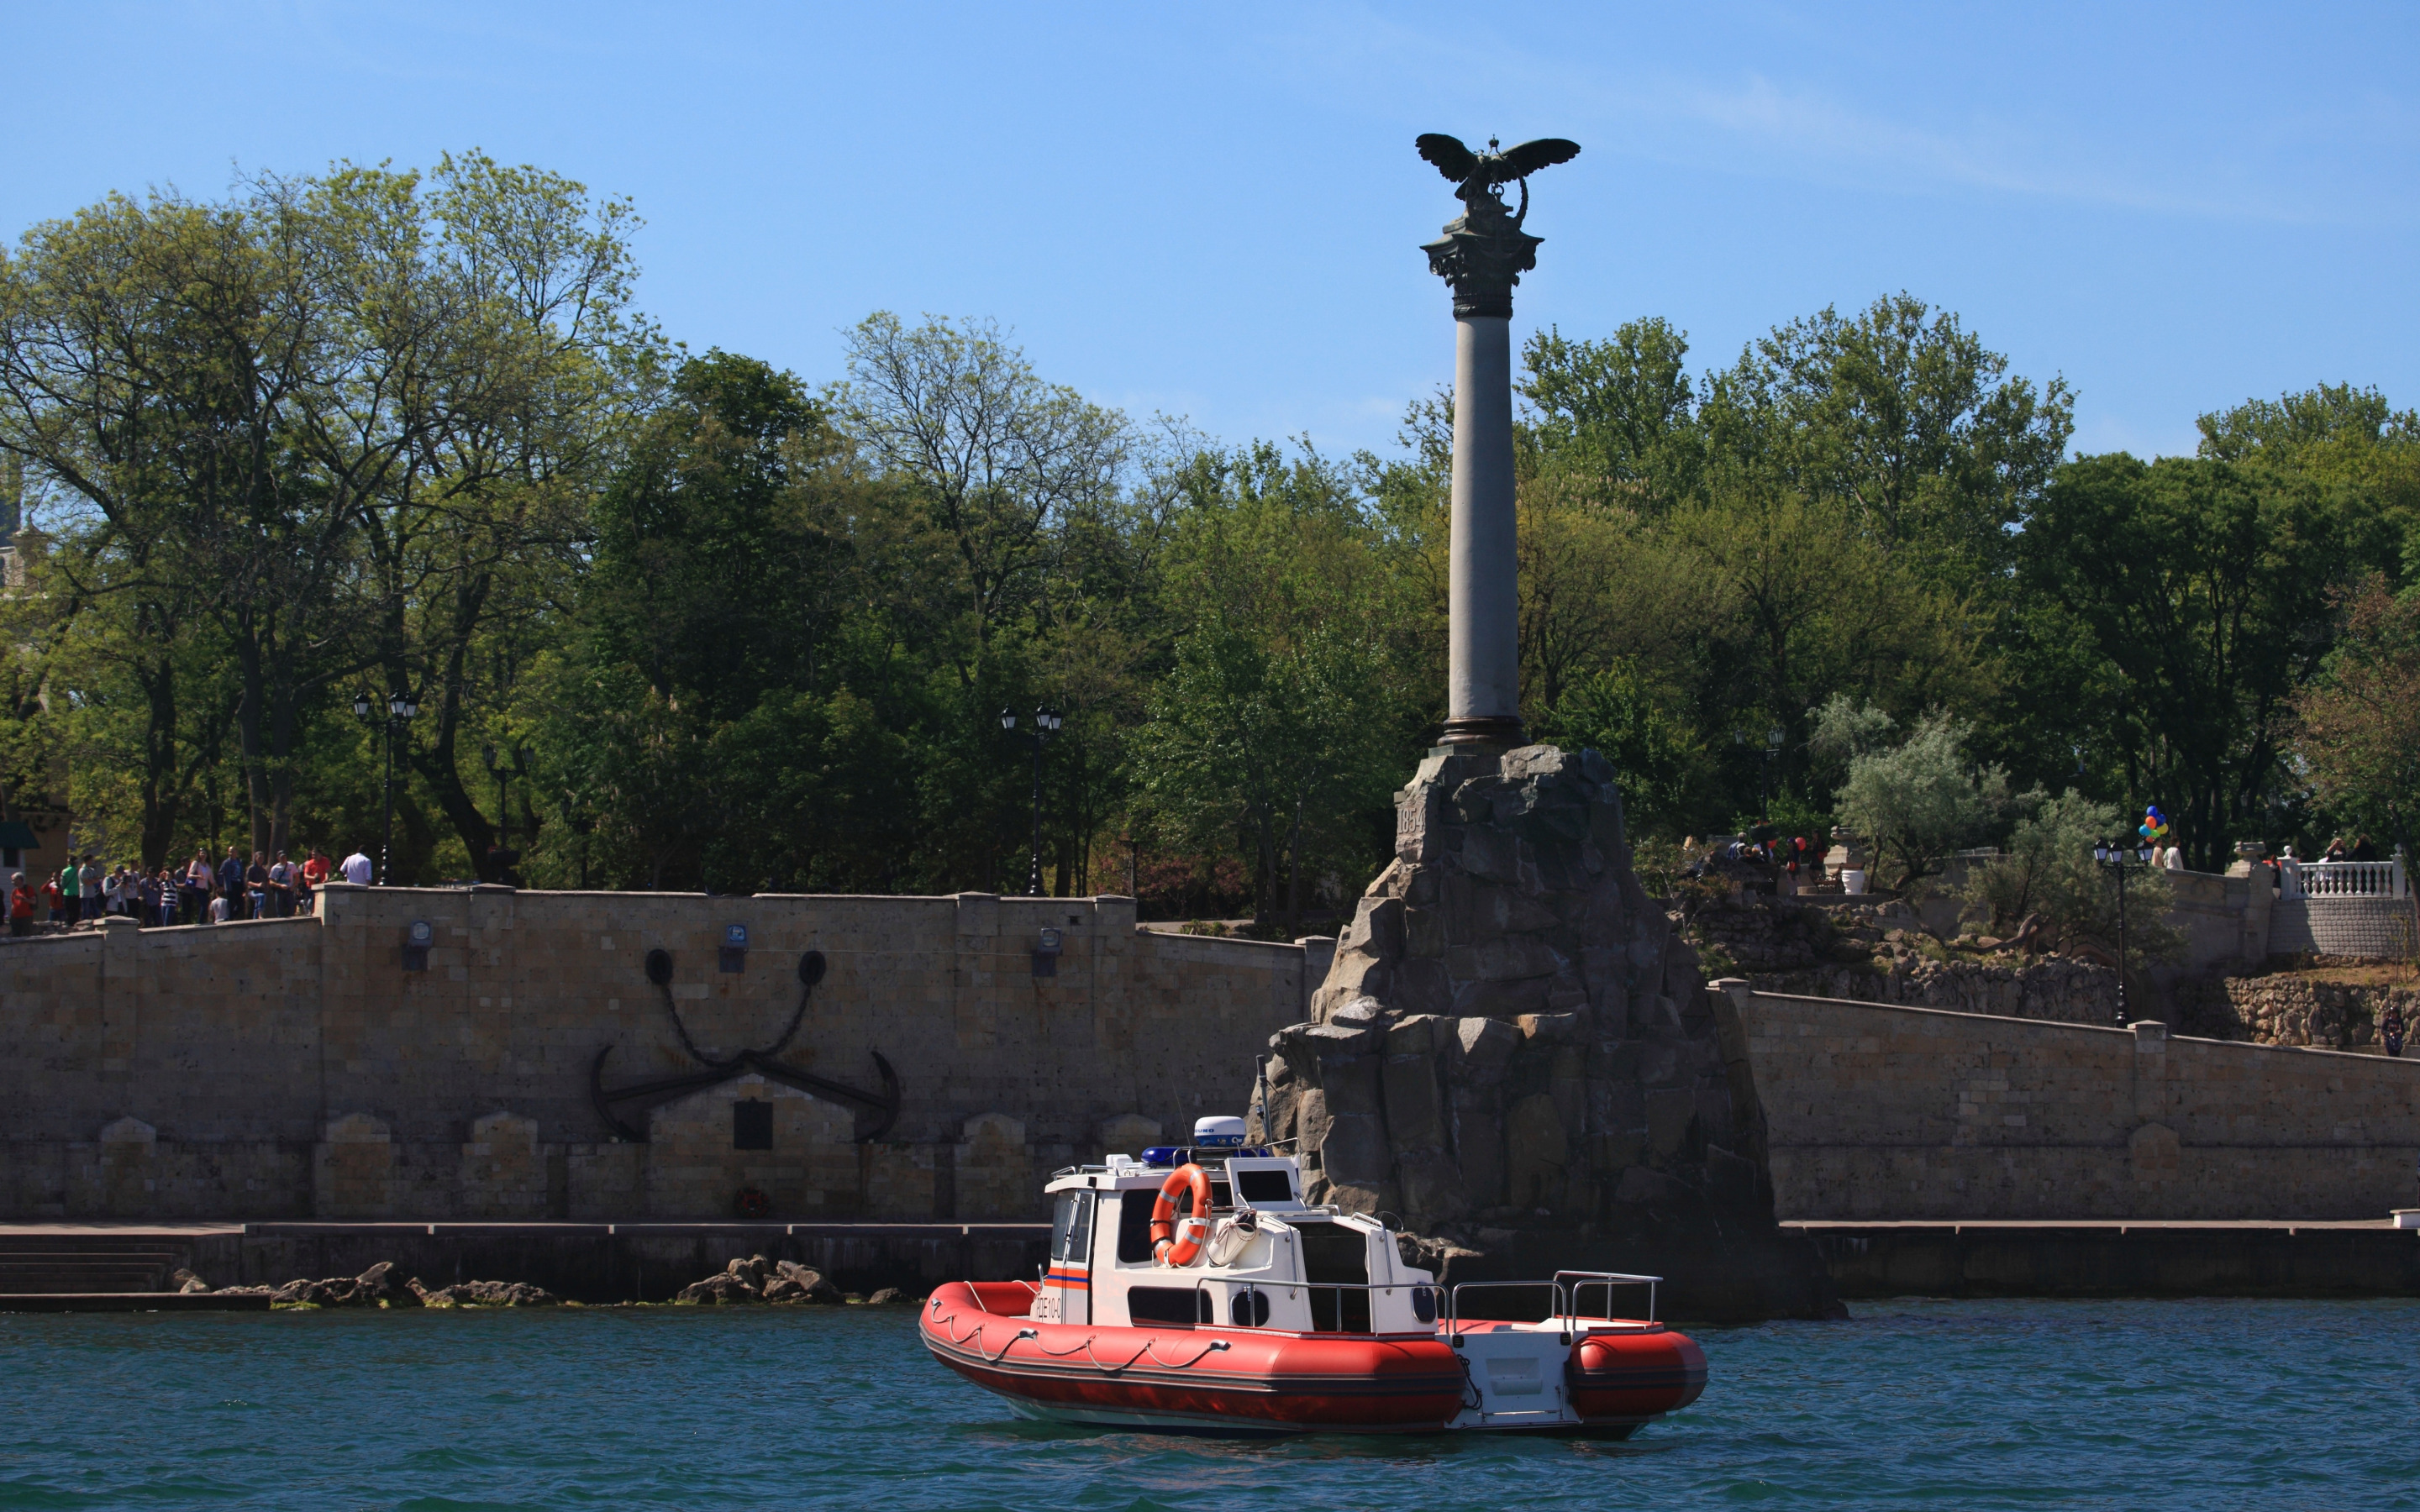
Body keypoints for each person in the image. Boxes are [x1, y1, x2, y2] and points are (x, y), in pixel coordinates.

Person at [184, 850, 213, 924]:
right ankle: (200, 922)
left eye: (205, 853)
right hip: (197, 887)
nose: (203, 855)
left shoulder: (208, 865)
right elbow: (189, 875)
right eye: (202, 853)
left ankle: (204, 921)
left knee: (206, 905)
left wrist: (217, 885)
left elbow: (211, 878)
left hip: (205, 888)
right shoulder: (196, 863)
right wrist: (197, 876)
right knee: (203, 904)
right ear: (199, 854)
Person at [217, 846, 246, 920]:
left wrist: (244, 886)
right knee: (231, 904)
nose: (231, 853)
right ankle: (230, 919)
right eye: (230, 851)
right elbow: (220, 873)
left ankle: (231, 916)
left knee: (241, 905)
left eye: (233, 851)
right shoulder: (226, 863)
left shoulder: (239, 862)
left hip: (239, 884)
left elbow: (242, 874)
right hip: (231, 885)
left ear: (236, 852)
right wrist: (220, 885)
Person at [301, 848, 329, 915]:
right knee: (309, 903)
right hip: (310, 887)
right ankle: (309, 916)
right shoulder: (309, 863)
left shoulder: (325, 861)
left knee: (312, 903)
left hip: (320, 887)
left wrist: (327, 879)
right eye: (313, 855)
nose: (314, 856)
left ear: (320, 854)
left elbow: (327, 871)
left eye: (316, 854)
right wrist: (314, 878)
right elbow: (306, 876)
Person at [8, 873, 33, 937]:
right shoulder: (14, 891)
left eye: (14, 880)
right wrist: (11, 916)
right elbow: (13, 904)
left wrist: (23, 899)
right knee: (15, 936)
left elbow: (33, 901)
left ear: (19, 880)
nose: (12, 882)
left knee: (26, 935)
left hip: (26, 917)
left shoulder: (28, 889)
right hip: (15, 917)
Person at [58, 856, 80, 927]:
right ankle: (76, 925)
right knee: (76, 912)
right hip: (77, 893)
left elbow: (62, 884)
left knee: (68, 912)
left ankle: (69, 925)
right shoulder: (78, 871)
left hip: (67, 893)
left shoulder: (65, 871)